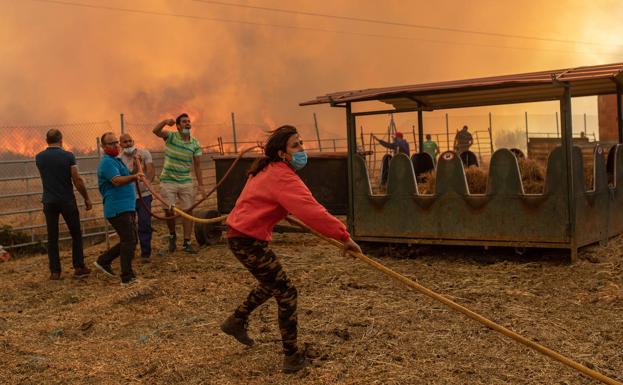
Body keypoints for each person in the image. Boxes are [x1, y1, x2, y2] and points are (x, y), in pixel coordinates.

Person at [220, 125, 362, 374]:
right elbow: (312, 210)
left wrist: (281, 210)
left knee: (271, 284)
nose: (302, 150)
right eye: (295, 145)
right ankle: (291, 356)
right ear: (282, 153)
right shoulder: (282, 176)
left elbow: (262, 201)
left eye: (301, 143)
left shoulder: (267, 170)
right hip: (247, 240)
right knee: (287, 293)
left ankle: (235, 321)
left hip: (241, 237)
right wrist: (344, 236)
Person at [35, 129, 92, 280]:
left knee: (52, 237)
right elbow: (77, 179)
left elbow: (45, 177)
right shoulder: (68, 156)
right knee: (76, 234)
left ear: (46, 140)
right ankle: (79, 267)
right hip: (67, 200)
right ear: (61, 140)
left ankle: (55, 272)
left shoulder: (39, 157)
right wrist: (86, 197)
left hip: (49, 201)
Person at [93, 132, 143, 286]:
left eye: (116, 142)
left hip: (126, 206)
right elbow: (116, 181)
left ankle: (103, 261)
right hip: (117, 208)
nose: (115, 145)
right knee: (129, 240)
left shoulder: (117, 161)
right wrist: (134, 177)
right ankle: (127, 277)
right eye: (111, 143)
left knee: (130, 240)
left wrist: (137, 164)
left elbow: (131, 175)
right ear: (103, 147)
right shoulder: (107, 163)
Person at [153, 113, 206, 254]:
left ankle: (187, 242)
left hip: (186, 181)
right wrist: (165, 121)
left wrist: (201, 185)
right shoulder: (171, 136)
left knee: (188, 212)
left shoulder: (195, 143)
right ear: (177, 126)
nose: (187, 124)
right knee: (169, 210)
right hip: (168, 180)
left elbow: (198, 166)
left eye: (189, 122)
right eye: (184, 122)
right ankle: (172, 235)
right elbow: (155, 131)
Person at [118, 133, 155, 263]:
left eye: (130, 141)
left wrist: (147, 184)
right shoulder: (119, 159)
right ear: (120, 144)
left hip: (144, 195)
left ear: (133, 141)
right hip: (128, 197)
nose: (128, 144)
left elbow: (150, 171)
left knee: (144, 223)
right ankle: (131, 251)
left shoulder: (144, 153)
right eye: (125, 142)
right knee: (129, 225)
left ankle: (145, 253)